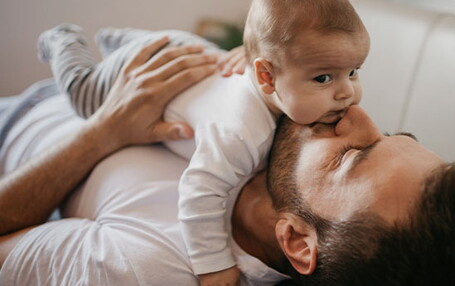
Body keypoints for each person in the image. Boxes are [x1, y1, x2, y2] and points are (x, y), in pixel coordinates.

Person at [0, 40, 455, 286]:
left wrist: (104, 130)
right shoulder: (279, 133)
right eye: (394, 135)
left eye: (354, 156)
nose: (356, 112)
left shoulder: (149, 266)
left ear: (296, 240)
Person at [37, 0, 371, 284]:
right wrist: (214, 264)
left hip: (187, 51)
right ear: (266, 77)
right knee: (84, 98)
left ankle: (115, 39)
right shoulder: (238, 134)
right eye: (323, 78)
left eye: (353, 71)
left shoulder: (286, 89)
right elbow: (199, 194)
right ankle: (64, 40)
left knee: (137, 44)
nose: (346, 93)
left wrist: (249, 53)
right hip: (150, 66)